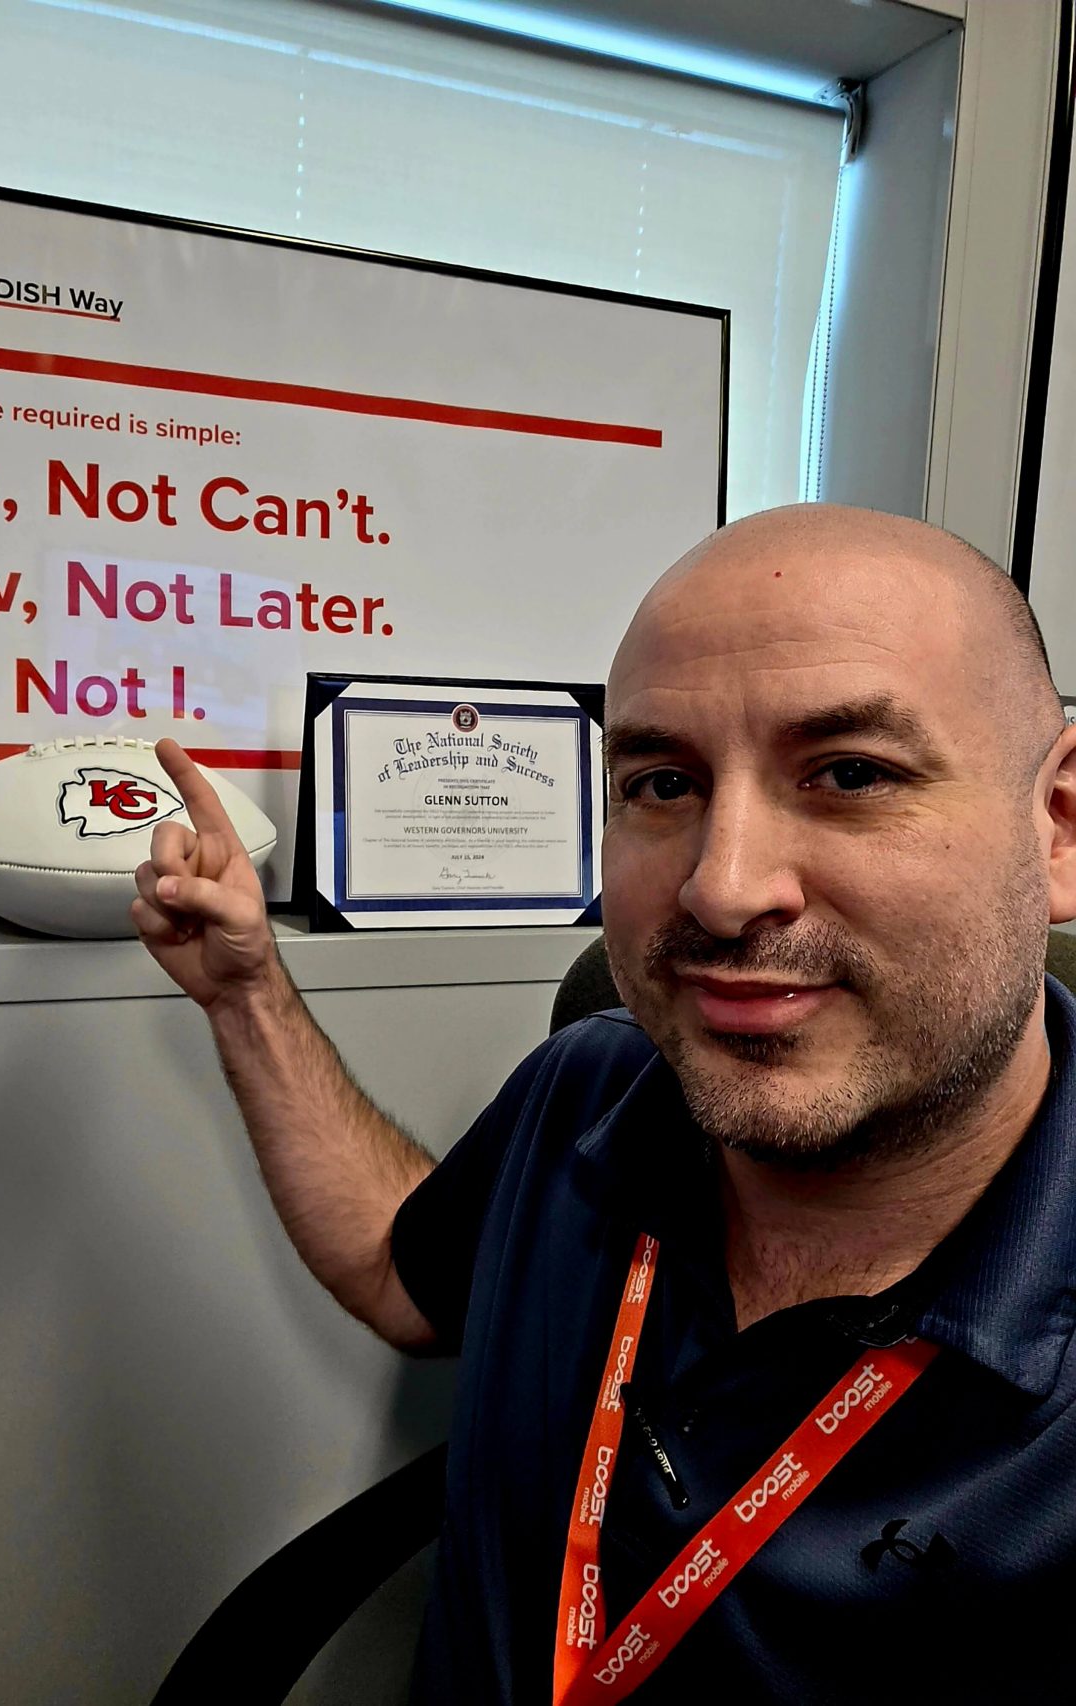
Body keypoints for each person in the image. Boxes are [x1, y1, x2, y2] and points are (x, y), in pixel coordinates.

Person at [133, 503, 1076, 1703]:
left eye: (849, 773)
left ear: (1055, 825)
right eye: (661, 781)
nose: (722, 887)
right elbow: (397, 1274)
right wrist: (246, 993)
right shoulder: (592, 1085)